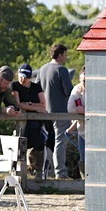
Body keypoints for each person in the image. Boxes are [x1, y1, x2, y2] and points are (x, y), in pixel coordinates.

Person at [37, 44, 74, 179]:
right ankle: (61, 172)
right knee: (60, 141)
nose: (66, 57)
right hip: (60, 112)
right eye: (65, 54)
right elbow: (69, 91)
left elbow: (37, 89)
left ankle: (48, 171)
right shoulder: (62, 70)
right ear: (60, 55)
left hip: (45, 112)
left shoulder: (42, 69)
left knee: (48, 141)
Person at [11, 63, 47, 177]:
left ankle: (38, 170)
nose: (23, 79)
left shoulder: (36, 87)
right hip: (22, 122)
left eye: (25, 77)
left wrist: (29, 104)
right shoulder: (15, 85)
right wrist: (35, 107)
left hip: (35, 123)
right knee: (19, 146)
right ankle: (16, 172)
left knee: (39, 144)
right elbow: (18, 103)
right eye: (21, 76)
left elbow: (43, 106)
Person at [66, 68, 86, 180]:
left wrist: (85, 110)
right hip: (82, 131)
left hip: (98, 132)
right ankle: (84, 183)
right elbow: (71, 109)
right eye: (83, 81)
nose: (85, 83)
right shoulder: (77, 90)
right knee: (83, 158)